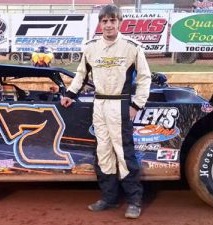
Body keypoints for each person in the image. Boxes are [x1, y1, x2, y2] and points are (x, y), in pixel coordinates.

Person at [61, 4, 151, 219]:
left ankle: (134, 200)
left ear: (119, 22)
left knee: (123, 152)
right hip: (99, 104)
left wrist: (136, 105)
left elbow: (145, 78)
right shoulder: (90, 47)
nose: (109, 25)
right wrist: (70, 94)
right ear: (100, 24)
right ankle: (109, 198)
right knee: (103, 152)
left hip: (120, 105)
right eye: (105, 21)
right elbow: (81, 75)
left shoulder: (132, 47)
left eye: (113, 20)